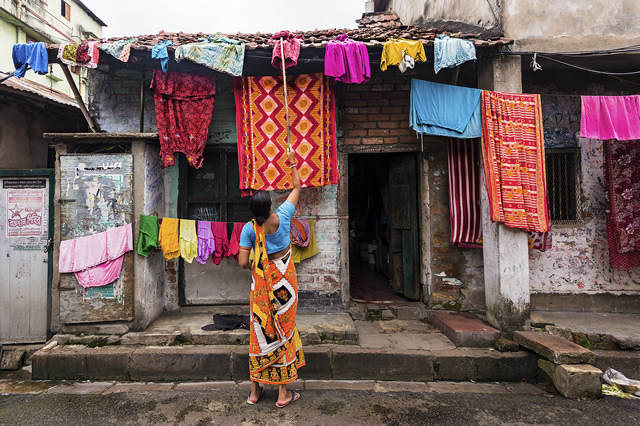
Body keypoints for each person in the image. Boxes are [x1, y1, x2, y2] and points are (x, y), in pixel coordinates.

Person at [238, 149, 305, 408]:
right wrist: (292, 162)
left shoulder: (248, 229)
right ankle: (282, 394)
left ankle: (255, 392)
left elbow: (244, 262)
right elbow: (297, 186)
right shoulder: (284, 215)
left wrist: (259, 261)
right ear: (269, 206)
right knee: (283, 333)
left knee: (260, 331)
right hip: (285, 284)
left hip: (261, 287)